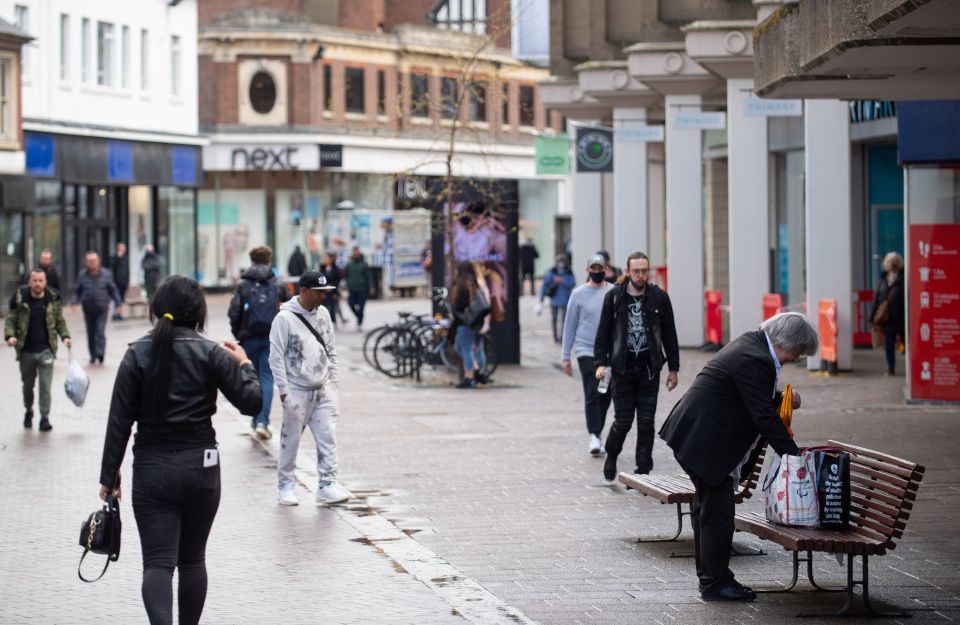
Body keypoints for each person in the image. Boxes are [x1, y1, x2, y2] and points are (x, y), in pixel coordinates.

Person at [98, 276, 262, 625]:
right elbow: (252, 403)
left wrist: (108, 476)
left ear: (159, 309)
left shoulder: (137, 354)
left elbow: (119, 421)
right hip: (201, 468)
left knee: (158, 563)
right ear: (198, 312)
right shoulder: (212, 353)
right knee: (192, 560)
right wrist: (246, 364)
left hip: (152, 468)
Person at [658, 312, 818, 602]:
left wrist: (781, 397)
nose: (796, 358)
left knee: (709, 510)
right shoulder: (757, 358)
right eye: (798, 351)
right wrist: (795, 460)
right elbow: (763, 417)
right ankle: (715, 582)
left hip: (696, 434)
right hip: (704, 440)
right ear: (787, 342)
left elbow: (750, 392)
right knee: (717, 514)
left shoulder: (752, 345)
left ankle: (711, 578)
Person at [268, 271, 352, 506]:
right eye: (318, 292)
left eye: (325, 292)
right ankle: (285, 485)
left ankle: (327, 484)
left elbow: (331, 349)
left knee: (328, 437)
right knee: (290, 440)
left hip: (323, 387)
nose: (322, 297)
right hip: (297, 389)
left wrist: (334, 384)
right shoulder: (284, 319)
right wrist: (284, 391)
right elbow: (275, 357)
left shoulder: (323, 314)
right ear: (303, 291)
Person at [594, 251, 679, 481]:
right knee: (623, 422)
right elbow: (603, 333)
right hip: (622, 369)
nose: (641, 275)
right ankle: (612, 454)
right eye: (636, 271)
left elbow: (669, 334)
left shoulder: (659, 297)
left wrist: (673, 368)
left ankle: (643, 470)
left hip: (649, 369)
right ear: (628, 272)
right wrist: (600, 363)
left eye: (645, 270)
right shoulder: (614, 297)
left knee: (646, 422)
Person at [228, 246, 290, 440]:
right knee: (267, 378)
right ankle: (262, 421)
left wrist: (239, 333)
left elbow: (234, 312)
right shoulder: (278, 282)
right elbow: (289, 309)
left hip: (249, 337)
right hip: (272, 337)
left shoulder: (243, 284)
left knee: (250, 376)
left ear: (252, 260)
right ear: (269, 260)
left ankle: (256, 419)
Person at [5, 268, 72, 431]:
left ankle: (44, 418)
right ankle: (28, 410)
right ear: (29, 281)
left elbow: (59, 321)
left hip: (46, 351)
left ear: (45, 282)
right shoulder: (21, 299)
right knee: (28, 386)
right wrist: (10, 336)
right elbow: (11, 320)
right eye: (34, 280)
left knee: (45, 387)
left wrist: (65, 336)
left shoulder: (52, 299)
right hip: (26, 351)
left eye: (40, 280)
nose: (37, 283)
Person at [561, 254, 614, 455]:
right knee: (592, 391)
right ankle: (594, 434)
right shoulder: (578, 294)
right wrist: (566, 355)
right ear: (587, 270)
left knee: (605, 393)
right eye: (593, 268)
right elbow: (570, 326)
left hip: (608, 352)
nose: (597, 271)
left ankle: (597, 432)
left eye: (600, 268)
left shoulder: (613, 292)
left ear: (605, 269)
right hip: (585, 350)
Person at [72, 251, 122, 364]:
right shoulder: (82, 275)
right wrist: (74, 302)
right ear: (87, 262)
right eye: (89, 261)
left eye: (94, 261)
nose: (92, 263)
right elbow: (77, 290)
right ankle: (92, 355)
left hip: (102, 309)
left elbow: (112, 289)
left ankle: (100, 353)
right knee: (90, 333)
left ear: (98, 261)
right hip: (88, 309)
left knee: (100, 331)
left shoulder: (106, 274)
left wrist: (118, 303)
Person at [449, 261, 491, 389]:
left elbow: (459, 306)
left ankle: (469, 376)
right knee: (469, 348)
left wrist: (454, 311)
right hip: (475, 321)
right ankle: (477, 369)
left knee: (466, 349)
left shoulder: (462, 286)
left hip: (465, 322)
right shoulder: (474, 284)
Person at [870, 252, 905, 376]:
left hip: (902, 318)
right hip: (888, 318)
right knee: (889, 344)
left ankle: (913, 365)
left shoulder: (904, 279)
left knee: (906, 342)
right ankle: (891, 367)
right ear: (887, 265)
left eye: (895, 262)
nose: (893, 265)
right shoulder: (883, 280)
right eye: (891, 262)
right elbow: (877, 299)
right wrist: (872, 317)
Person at [539, 254, 576, 344]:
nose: (561, 264)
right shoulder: (551, 272)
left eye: (563, 261)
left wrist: (562, 280)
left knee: (564, 319)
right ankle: (555, 336)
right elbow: (544, 285)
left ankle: (562, 337)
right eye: (559, 262)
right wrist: (541, 297)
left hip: (565, 300)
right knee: (554, 319)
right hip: (554, 300)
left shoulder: (569, 272)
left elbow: (572, 283)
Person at [344, 246, 373, 330]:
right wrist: (347, 284)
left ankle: (360, 320)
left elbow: (368, 276)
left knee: (361, 306)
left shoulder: (364, 264)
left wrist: (371, 287)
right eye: (354, 252)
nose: (355, 253)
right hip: (352, 288)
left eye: (356, 252)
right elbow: (346, 275)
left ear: (359, 252)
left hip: (362, 288)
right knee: (350, 303)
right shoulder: (349, 264)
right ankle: (359, 316)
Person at [320, 252, 344, 326]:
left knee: (332, 306)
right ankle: (324, 320)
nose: (326, 260)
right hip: (324, 290)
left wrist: (334, 290)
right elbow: (320, 278)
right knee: (323, 306)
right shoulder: (322, 267)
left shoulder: (335, 268)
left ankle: (333, 320)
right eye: (325, 259)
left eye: (327, 258)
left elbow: (338, 280)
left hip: (332, 290)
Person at [110, 242, 131, 321]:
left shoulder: (126, 258)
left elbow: (127, 270)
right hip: (116, 281)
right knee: (116, 298)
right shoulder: (114, 257)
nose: (122, 250)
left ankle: (119, 314)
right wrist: (118, 257)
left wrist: (128, 280)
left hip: (124, 282)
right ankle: (114, 314)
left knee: (121, 299)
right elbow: (113, 266)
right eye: (121, 248)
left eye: (123, 248)